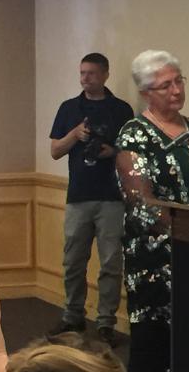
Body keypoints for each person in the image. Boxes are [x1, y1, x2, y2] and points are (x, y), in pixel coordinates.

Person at [115, 49, 189, 371]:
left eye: (179, 81)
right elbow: (141, 203)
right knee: (156, 350)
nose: (176, 90)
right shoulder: (134, 134)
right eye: (165, 85)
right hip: (157, 263)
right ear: (145, 93)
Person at [49, 52, 134, 345]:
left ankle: (106, 322)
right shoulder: (69, 108)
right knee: (73, 260)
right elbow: (55, 150)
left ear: (105, 75)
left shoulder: (121, 110)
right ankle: (72, 315)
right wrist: (75, 134)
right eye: (82, 73)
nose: (85, 78)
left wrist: (112, 152)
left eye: (92, 73)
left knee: (111, 262)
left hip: (112, 197)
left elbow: (132, 154)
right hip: (78, 196)